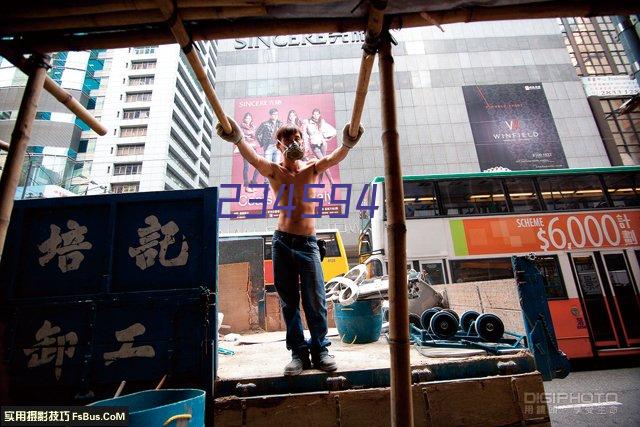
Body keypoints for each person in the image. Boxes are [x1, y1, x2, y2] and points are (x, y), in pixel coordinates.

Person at [217, 117, 364, 376]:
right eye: (289, 140)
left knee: (315, 301)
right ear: (279, 144)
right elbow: (252, 158)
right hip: (282, 242)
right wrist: (238, 138)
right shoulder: (275, 171)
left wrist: (348, 143)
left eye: (298, 139)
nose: (295, 143)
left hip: (308, 244)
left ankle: (320, 350)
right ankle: (298, 353)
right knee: (289, 303)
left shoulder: (311, 169)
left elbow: (334, 158)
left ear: (304, 142)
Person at [302, 108, 337, 185]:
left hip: (323, 144)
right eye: (314, 114)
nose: (316, 115)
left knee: (322, 162)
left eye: (317, 114)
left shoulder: (322, 121)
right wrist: (306, 146)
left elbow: (333, 131)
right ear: (312, 114)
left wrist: (326, 138)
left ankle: (320, 182)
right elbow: (304, 135)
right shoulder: (307, 122)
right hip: (314, 145)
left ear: (319, 114)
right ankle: (331, 182)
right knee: (324, 162)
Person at [239, 112, 259, 193]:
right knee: (246, 167)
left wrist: (251, 137)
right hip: (245, 148)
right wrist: (248, 137)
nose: (248, 119)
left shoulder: (253, 127)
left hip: (253, 148)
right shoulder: (241, 127)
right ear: (244, 119)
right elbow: (241, 137)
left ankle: (253, 182)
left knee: (258, 165)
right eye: (247, 118)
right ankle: (247, 186)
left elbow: (255, 137)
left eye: (249, 118)